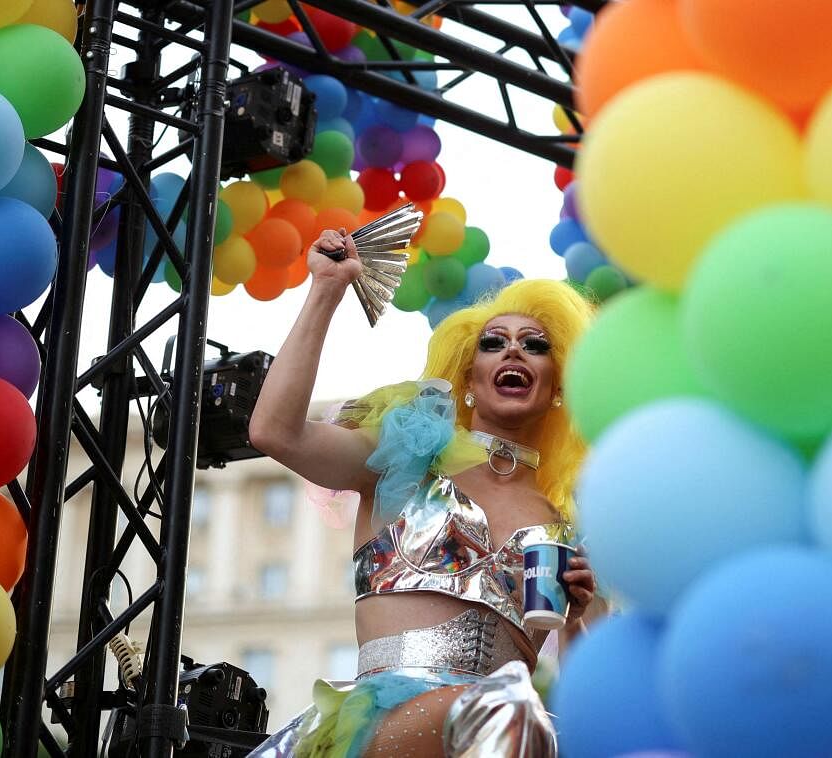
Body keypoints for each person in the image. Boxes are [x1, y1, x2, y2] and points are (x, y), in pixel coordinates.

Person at [247, 227, 598, 757]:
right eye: (493, 342)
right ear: (470, 376)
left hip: (509, 734)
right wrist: (325, 291)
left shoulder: (569, 525)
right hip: (382, 724)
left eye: (536, 345)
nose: (514, 352)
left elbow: (596, 703)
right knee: (510, 709)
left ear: (559, 385)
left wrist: (576, 623)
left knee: (536, 724)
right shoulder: (411, 456)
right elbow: (276, 432)